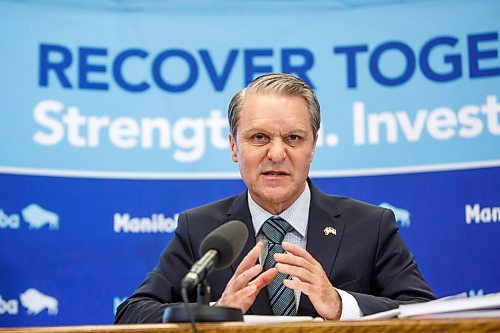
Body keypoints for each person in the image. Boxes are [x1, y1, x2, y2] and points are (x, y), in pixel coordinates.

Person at [114, 73, 435, 323]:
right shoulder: (199, 229)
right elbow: (131, 313)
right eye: (259, 138)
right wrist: (216, 310)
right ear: (233, 147)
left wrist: (340, 304)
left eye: (293, 138)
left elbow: (424, 312)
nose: (277, 153)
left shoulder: (370, 225)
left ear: (313, 146)